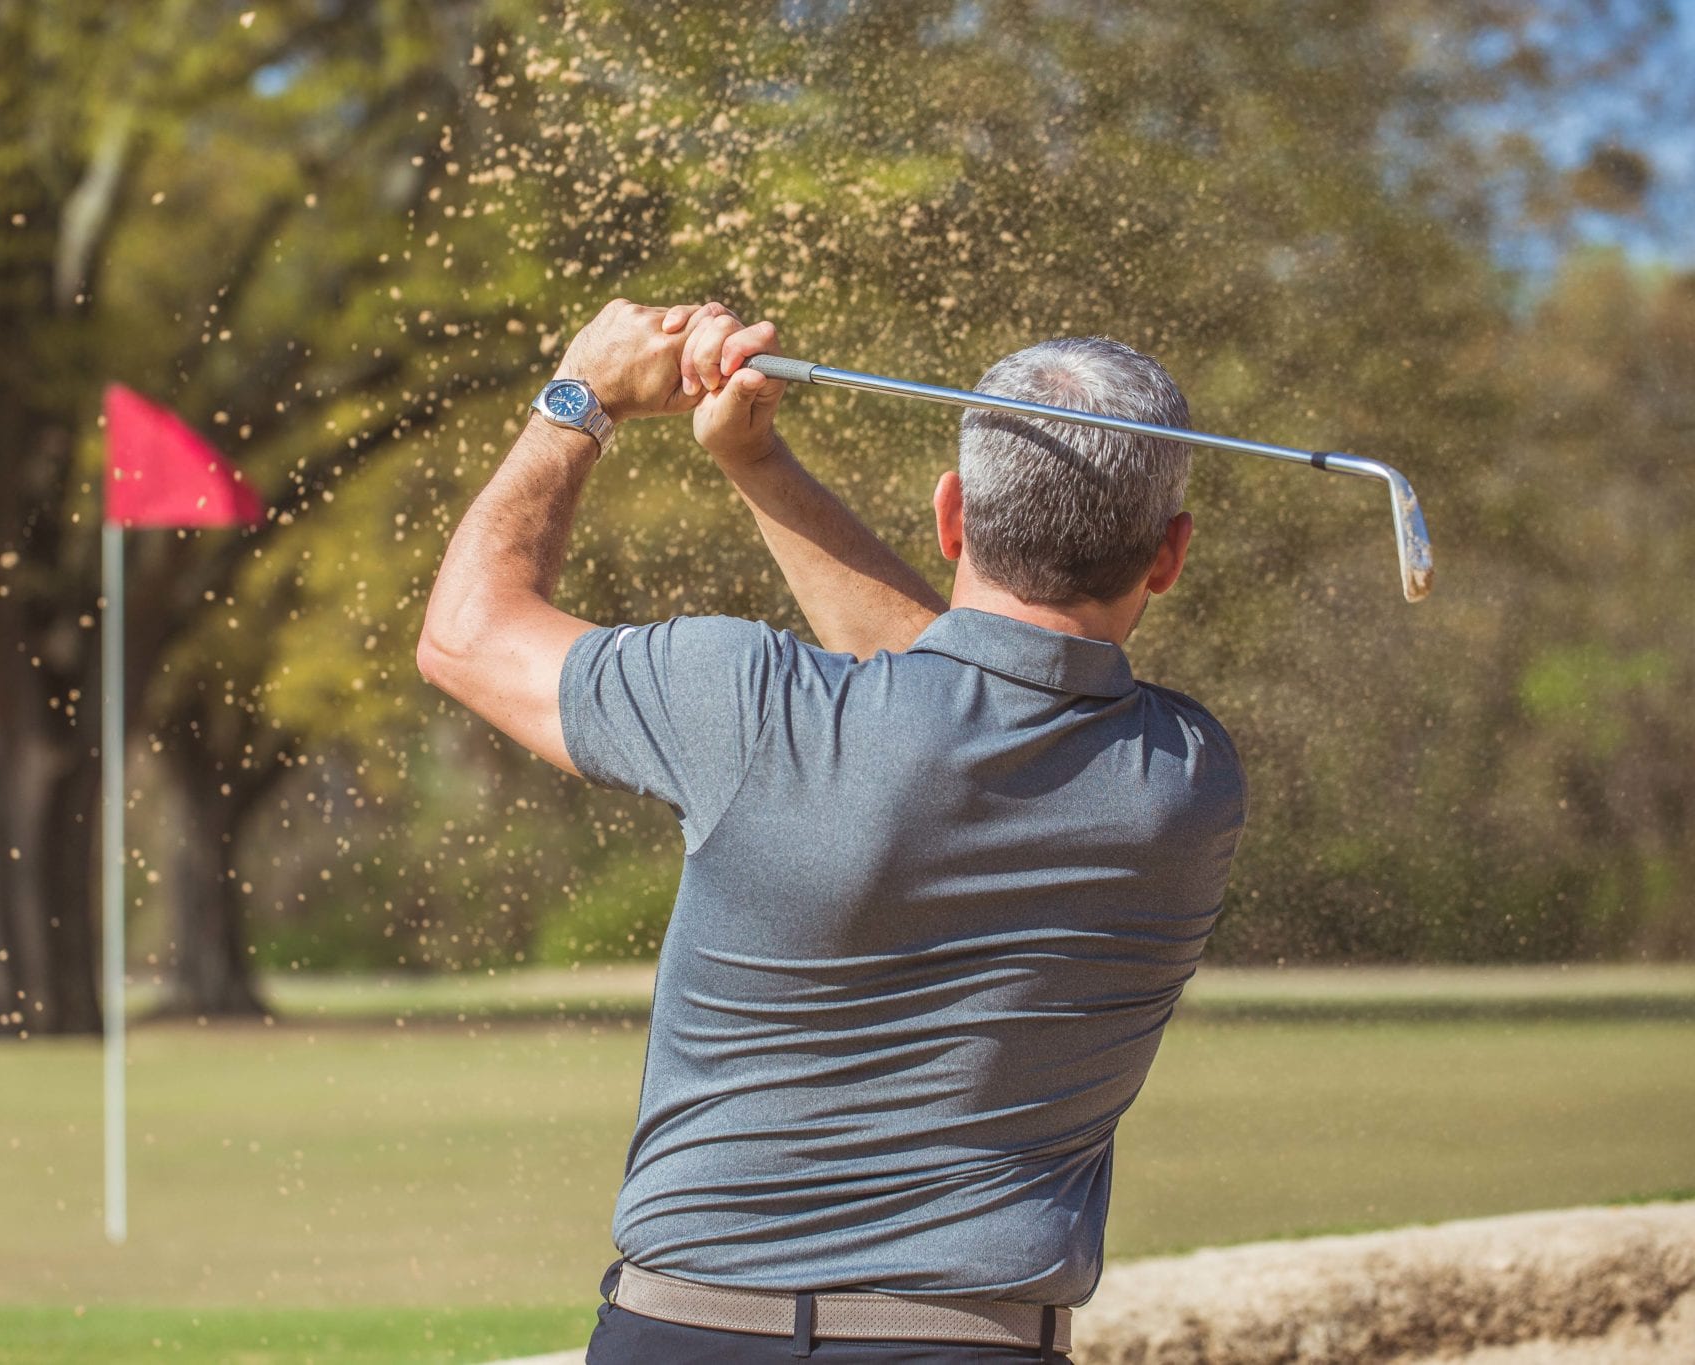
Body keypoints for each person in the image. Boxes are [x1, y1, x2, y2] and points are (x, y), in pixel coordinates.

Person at [417, 299, 1247, 1363]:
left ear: (951, 517)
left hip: (684, 1337)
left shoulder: (750, 704)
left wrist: (578, 400)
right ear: (1168, 553)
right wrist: (757, 466)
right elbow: (962, 689)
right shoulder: (1185, 780)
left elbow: (465, 635)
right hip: (973, 1345)